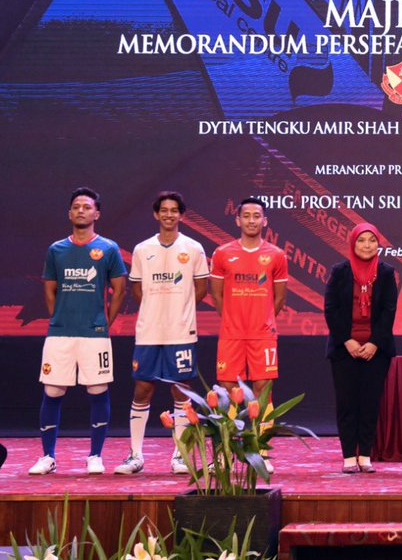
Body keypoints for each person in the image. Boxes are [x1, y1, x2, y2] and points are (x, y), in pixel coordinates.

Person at [29, 187, 127, 475]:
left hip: (94, 334)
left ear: (97, 213)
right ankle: (48, 456)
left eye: (87, 207)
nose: (81, 210)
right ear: (69, 213)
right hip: (60, 334)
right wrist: (60, 318)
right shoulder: (56, 249)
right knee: (52, 390)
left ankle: (95, 455)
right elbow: (50, 290)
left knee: (98, 390)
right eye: (76, 207)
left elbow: (119, 290)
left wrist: (104, 323)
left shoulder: (108, 248)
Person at [115, 191, 209, 475]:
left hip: (181, 332)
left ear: (181, 215)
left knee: (181, 390)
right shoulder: (143, 249)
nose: (169, 215)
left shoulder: (194, 248)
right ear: (157, 215)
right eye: (164, 210)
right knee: (143, 388)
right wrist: (157, 308)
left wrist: (178, 308)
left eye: (174, 210)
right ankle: (135, 455)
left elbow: (200, 287)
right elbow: (137, 288)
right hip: (149, 333)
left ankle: (180, 456)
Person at [209, 197, 288, 473]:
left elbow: (278, 299)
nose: (252, 220)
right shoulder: (222, 254)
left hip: (263, 335)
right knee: (228, 391)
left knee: (262, 391)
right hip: (231, 335)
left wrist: (262, 320)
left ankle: (261, 450)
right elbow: (216, 295)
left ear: (265, 221)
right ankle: (226, 450)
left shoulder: (276, 255)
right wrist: (233, 318)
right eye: (247, 216)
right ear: (238, 220)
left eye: (257, 216)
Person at [324, 223, 397, 473]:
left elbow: (389, 311)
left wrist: (375, 342)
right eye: (362, 241)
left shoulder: (386, 273)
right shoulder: (340, 271)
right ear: (353, 244)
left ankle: (365, 454)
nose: (367, 245)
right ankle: (347, 456)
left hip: (376, 350)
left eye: (372, 240)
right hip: (344, 349)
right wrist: (347, 340)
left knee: (369, 403)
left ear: (378, 244)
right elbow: (331, 309)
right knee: (347, 403)